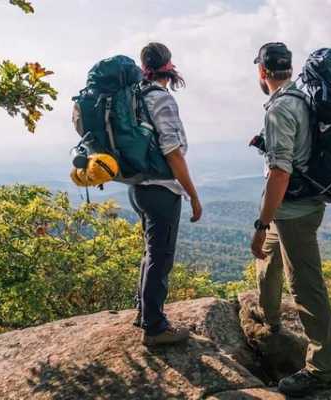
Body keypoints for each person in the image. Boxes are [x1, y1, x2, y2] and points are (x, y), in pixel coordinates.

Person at [250, 42, 331, 396]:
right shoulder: (303, 99)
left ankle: (321, 368)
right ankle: (269, 318)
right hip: (301, 204)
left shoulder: (280, 109)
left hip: (294, 211)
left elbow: (280, 173)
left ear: (262, 72)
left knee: (305, 286)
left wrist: (260, 223)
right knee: (266, 257)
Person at [129, 42, 202, 346]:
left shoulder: (135, 96)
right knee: (161, 256)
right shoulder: (162, 100)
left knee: (151, 252)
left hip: (138, 187)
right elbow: (173, 152)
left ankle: (144, 312)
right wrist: (193, 195)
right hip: (161, 189)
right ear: (168, 65)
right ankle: (155, 328)